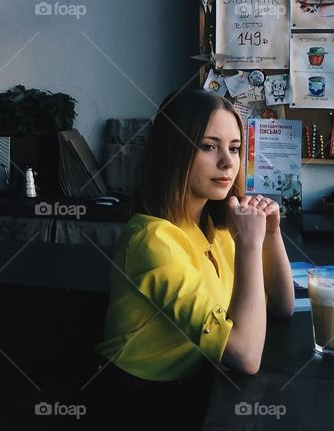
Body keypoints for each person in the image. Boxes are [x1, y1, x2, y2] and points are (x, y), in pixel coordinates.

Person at [87, 89, 293, 422]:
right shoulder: (152, 239)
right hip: (133, 404)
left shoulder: (215, 227)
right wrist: (251, 246)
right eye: (209, 146)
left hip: (190, 388)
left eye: (235, 148)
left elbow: (282, 306)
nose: (227, 162)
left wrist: (271, 233)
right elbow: (245, 354)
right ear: (175, 151)